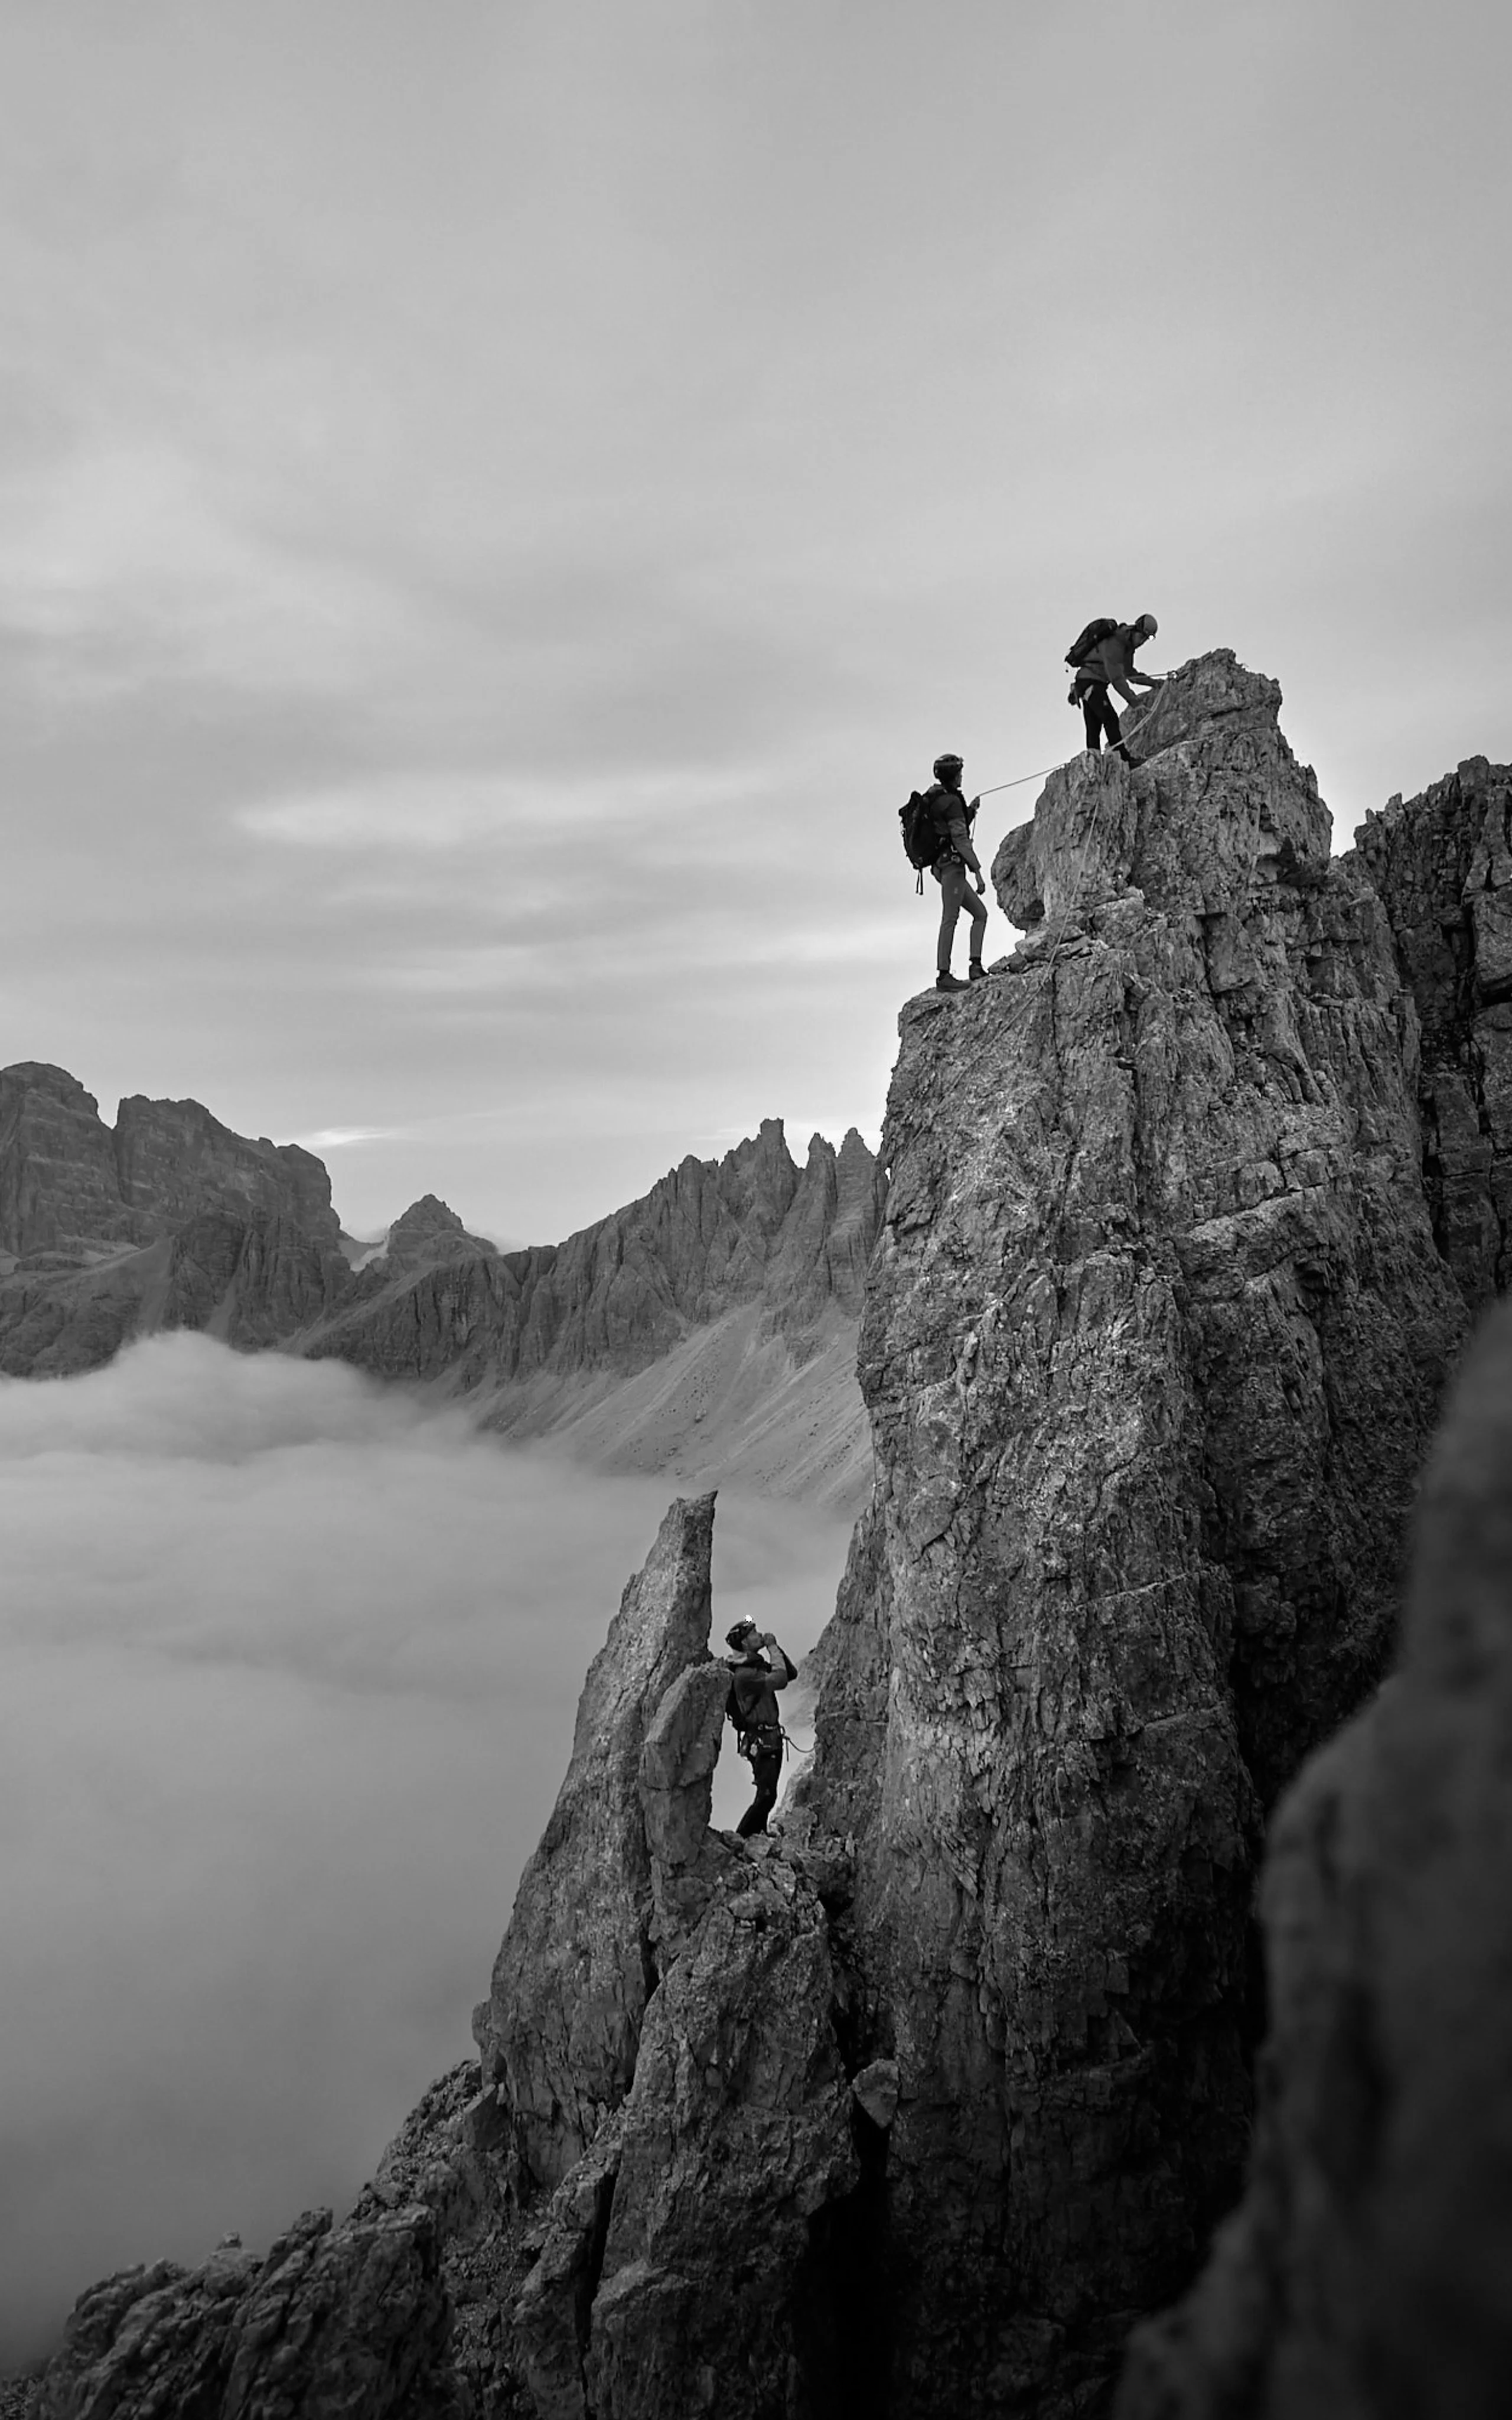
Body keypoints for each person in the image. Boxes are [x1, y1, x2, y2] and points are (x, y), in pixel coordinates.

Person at [725, 1619, 796, 1838]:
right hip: (762, 1740)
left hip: (769, 1737)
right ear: (745, 1643)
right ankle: (741, 1837)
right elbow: (781, 1679)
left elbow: (790, 1672)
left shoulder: (754, 1666)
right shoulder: (745, 1676)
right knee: (766, 1796)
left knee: (768, 1794)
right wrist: (772, 1647)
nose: (759, 1634)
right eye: (754, 1633)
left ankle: (759, 1836)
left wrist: (775, 1650)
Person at [925, 752, 989, 994]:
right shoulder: (951, 802)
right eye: (959, 772)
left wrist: (970, 811)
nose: (962, 776)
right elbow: (961, 840)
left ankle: (975, 966)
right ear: (953, 777)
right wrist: (978, 872)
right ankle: (944, 975)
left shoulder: (941, 799)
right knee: (950, 918)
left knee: (980, 914)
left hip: (944, 867)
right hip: (953, 867)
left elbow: (951, 829)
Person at [1070, 615, 1163, 762]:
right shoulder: (1115, 644)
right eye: (1142, 637)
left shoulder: (1127, 647)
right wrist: (1135, 702)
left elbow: (1130, 674)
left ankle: (1093, 763)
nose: (1142, 642)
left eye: (1146, 640)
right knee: (1110, 718)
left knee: (1094, 725)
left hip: (1088, 683)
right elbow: (1117, 679)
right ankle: (1124, 759)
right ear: (1135, 631)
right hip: (1090, 682)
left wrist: (1155, 683)